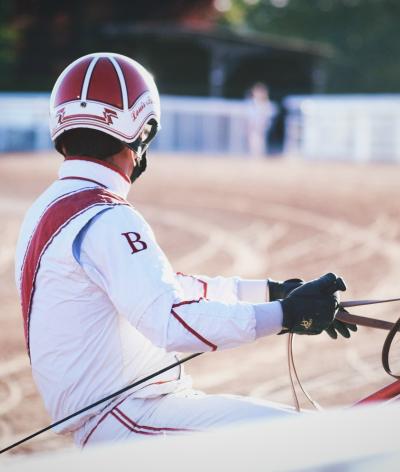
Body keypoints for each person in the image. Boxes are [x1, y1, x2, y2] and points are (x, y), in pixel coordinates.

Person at [15, 53, 356, 448]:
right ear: (142, 133)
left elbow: (162, 288)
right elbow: (170, 320)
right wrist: (286, 314)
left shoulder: (53, 205)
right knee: (320, 442)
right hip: (129, 416)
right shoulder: (105, 216)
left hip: (126, 413)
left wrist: (269, 291)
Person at [246, 82, 272, 157]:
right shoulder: (251, 103)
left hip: (261, 126)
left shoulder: (266, 103)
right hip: (252, 126)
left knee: (259, 142)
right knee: (253, 142)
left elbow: (267, 117)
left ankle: (258, 156)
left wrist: (263, 124)